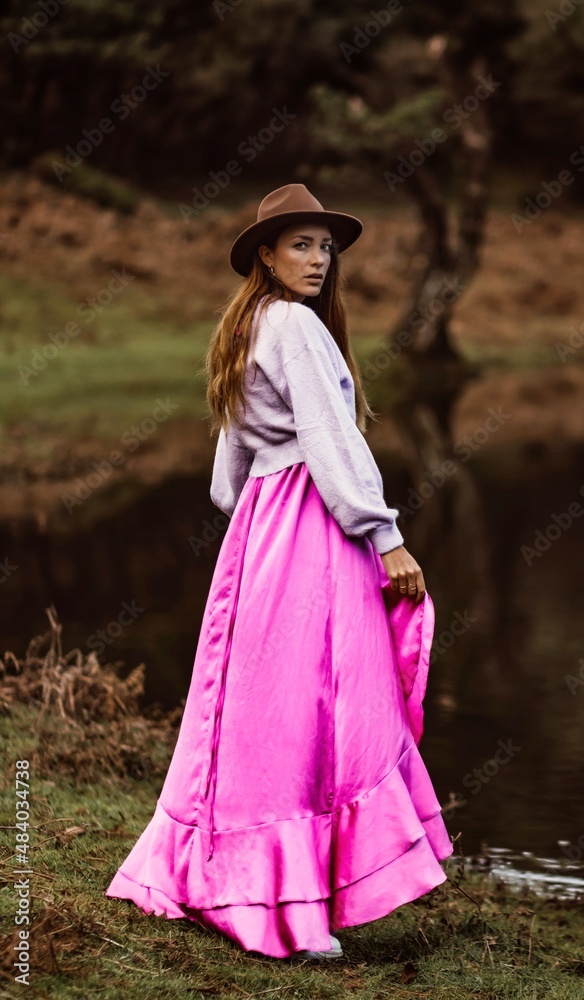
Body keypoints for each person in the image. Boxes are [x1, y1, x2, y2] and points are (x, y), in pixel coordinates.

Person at [105, 183, 454, 961]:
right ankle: (289, 903)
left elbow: (226, 476)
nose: (318, 259)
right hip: (312, 524)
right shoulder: (292, 324)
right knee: (317, 705)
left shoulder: (245, 325)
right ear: (264, 254)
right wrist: (384, 534)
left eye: (325, 247)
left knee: (256, 714)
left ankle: (245, 877)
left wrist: (258, 523)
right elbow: (332, 442)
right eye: (301, 245)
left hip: (263, 527)